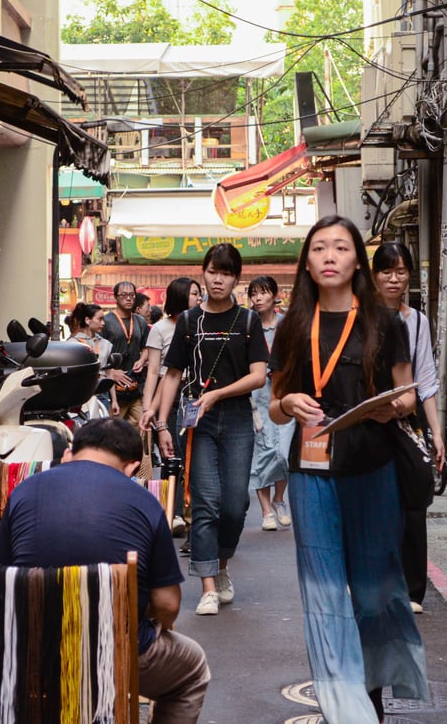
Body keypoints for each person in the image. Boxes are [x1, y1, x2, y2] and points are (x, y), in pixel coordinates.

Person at [267, 215, 428, 723]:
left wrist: (391, 408)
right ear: (307, 262)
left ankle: (374, 693)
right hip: (310, 472)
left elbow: (408, 395)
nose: (329, 256)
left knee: (376, 586)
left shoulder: (385, 322)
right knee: (322, 591)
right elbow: (274, 404)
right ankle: (345, 709)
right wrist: (289, 401)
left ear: (358, 258)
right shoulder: (295, 323)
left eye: (340, 247)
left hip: (372, 467)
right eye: (319, 248)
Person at [0, 417, 211, 723]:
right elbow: (168, 604)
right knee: (192, 670)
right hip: (113, 649)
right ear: (132, 467)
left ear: (70, 452)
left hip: (29, 650)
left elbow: (1, 579)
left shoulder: (23, 491)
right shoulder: (146, 502)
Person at [153, 244, 267, 616]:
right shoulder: (188, 321)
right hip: (196, 419)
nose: (218, 279)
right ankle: (207, 587)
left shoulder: (248, 321)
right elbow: (172, 374)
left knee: (235, 504)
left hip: (235, 418)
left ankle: (221, 566)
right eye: (212, 272)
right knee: (204, 502)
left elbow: (258, 376)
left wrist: (218, 393)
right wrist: (162, 424)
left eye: (226, 273)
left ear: (236, 277)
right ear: (203, 273)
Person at [373, 241, 445, 615]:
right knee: (376, 504)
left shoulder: (416, 321)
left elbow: (426, 382)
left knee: (414, 502)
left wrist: (436, 433)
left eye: (401, 271)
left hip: (405, 420)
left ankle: (413, 590)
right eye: (387, 270)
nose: (394, 278)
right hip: (367, 421)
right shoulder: (362, 317)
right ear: (374, 275)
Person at [139, 277, 203, 536]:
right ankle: (173, 512)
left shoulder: (202, 323)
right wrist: (147, 408)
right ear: (179, 296)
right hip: (170, 399)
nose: (198, 298)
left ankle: (192, 514)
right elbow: (153, 371)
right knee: (173, 457)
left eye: (199, 293)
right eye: (194, 294)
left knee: (196, 457)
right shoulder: (161, 329)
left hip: (196, 396)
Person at [247, 276, 293, 531]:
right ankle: (266, 510)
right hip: (257, 399)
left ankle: (279, 499)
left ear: (275, 295)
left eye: (263, 293)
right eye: (254, 294)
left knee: (283, 453)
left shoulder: (287, 325)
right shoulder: (247, 325)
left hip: (284, 395)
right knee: (262, 453)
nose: (258, 298)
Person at [102, 281, 150, 427]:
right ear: (115, 297)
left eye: (131, 295)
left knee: (142, 428)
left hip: (135, 384)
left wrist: (142, 360)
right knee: (113, 431)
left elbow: (146, 347)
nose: (128, 298)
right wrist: (112, 372)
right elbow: (100, 353)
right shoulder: (106, 321)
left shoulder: (140, 321)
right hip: (114, 389)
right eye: (123, 295)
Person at [71, 302, 119, 415]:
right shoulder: (73, 344)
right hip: (81, 394)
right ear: (88, 320)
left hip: (102, 393)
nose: (103, 323)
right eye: (100, 319)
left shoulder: (105, 344)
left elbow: (109, 373)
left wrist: (114, 400)